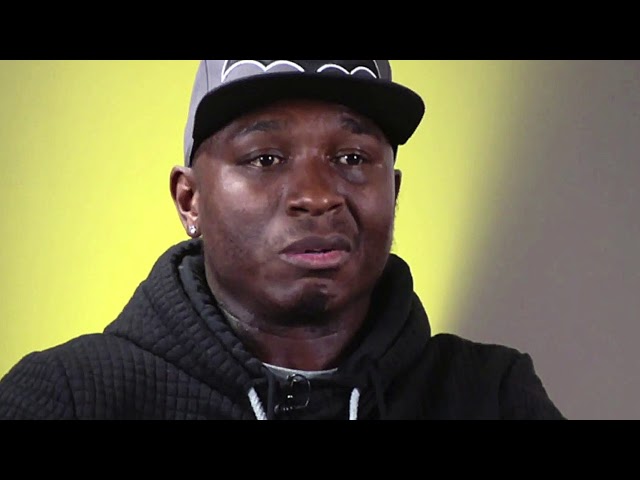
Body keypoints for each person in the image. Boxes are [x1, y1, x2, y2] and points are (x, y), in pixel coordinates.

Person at [0, 60, 565, 420]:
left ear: (393, 192)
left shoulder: (491, 396)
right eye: (265, 158)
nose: (317, 196)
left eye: (352, 158)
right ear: (189, 200)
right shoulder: (70, 397)